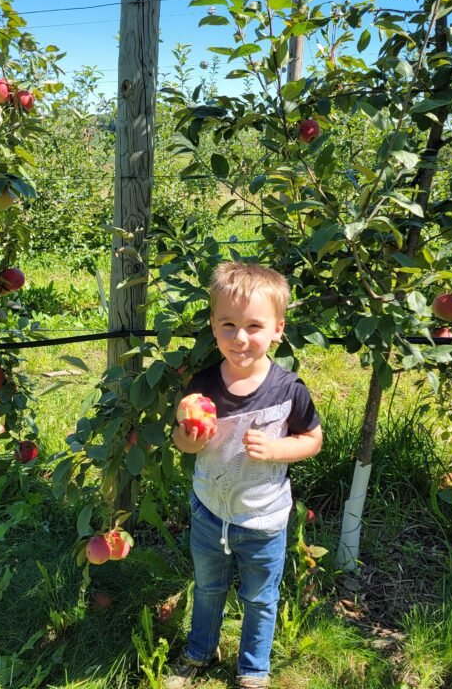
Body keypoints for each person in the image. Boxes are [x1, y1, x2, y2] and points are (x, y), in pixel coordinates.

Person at [165, 262, 324, 689]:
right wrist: (192, 441)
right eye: (228, 325)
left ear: (278, 329)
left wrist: (278, 449)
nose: (240, 338)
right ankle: (201, 649)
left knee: (260, 597)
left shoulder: (289, 389)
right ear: (213, 326)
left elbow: (312, 439)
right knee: (208, 587)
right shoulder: (201, 386)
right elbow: (182, 440)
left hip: (264, 520)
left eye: (254, 326)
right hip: (210, 512)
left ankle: (253, 667)